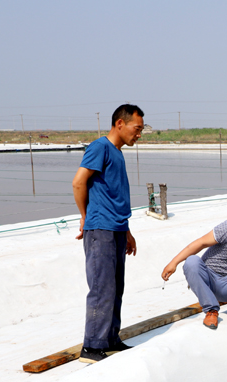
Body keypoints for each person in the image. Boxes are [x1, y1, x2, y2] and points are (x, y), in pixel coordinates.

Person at [72, 104, 145, 363]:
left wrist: (127, 231)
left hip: (116, 228)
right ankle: (92, 346)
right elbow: (78, 182)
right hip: (100, 228)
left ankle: (110, 340)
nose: (139, 134)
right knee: (102, 288)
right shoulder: (100, 147)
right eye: (137, 128)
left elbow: (114, 197)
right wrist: (85, 216)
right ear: (120, 124)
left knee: (115, 288)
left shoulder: (117, 152)